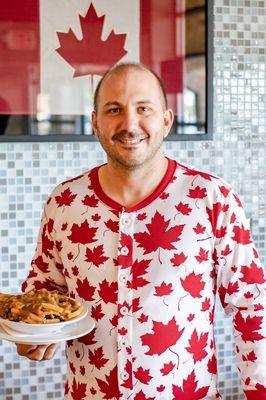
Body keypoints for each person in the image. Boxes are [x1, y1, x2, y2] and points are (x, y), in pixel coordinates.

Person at [17, 63, 266, 400]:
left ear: (166, 119)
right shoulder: (65, 202)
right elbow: (43, 288)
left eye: (143, 108)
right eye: (114, 109)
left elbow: (252, 307)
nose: (129, 124)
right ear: (95, 122)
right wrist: (33, 333)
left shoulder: (211, 199)